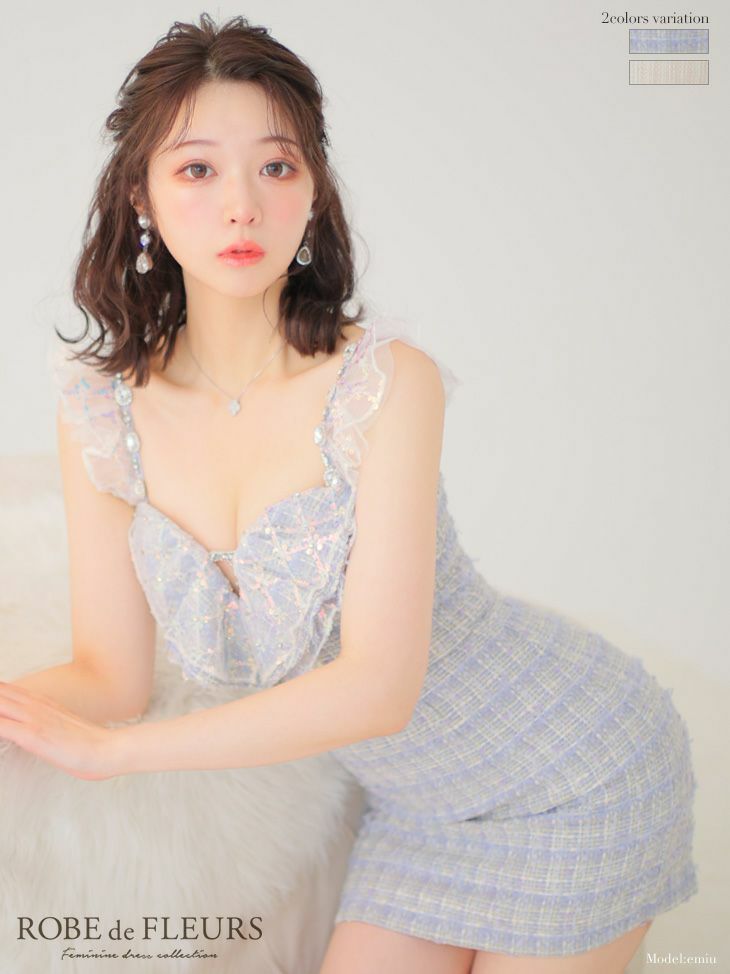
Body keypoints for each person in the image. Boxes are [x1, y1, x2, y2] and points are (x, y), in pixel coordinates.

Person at [0, 14, 698, 974]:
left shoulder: (384, 383)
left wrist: (120, 756)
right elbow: (108, 675)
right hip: (418, 814)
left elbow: (379, 687)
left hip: (570, 768)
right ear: (140, 195)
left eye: (276, 167)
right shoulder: (103, 411)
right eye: (198, 169)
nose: (242, 206)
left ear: (313, 191)